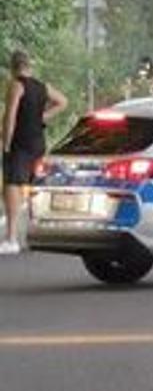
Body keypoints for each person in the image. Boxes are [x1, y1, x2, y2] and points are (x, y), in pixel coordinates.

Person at [3, 50, 68, 255]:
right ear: (29, 66)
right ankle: (33, 234)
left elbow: (10, 117)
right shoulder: (42, 87)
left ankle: (12, 237)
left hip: (20, 143)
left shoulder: (16, 85)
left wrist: (5, 142)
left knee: (12, 184)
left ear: (13, 67)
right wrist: (42, 117)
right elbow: (63, 102)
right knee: (33, 186)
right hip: (38, 142)